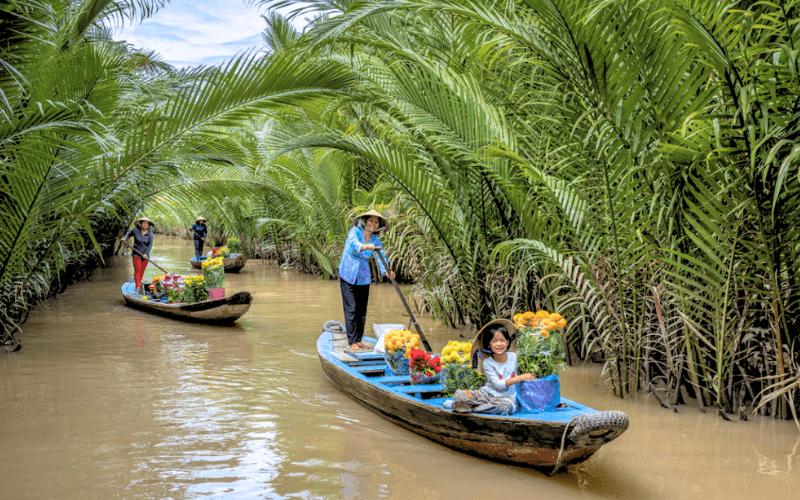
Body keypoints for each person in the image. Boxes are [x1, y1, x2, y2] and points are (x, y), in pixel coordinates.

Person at [447, 319, 536, 415]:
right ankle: (468, 405)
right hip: (487, 395)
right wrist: (521, 378)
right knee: (460, 394)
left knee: (505, 407)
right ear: (489, 344)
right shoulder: (487, 363)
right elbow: (498, 384)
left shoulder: (514, 357)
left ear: (507, 342)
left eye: (502, 340)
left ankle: (470, 408)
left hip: (506, 399)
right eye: (494, 341)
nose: (499, 344)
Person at [338, 209, 396, 351]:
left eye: (376, 222)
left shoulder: (376, 240)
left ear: (378, 226)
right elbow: (354, 244)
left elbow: (381, 257)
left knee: (361, 310)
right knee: (351, 308)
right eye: (371, 221)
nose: (373, 224)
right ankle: (352, 341)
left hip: (363, 275)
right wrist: (364, 246)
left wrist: (387, 272)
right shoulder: (354, 232)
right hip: (348, 272)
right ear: (364, 221)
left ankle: (358, 340)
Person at [121, 216, 155, 294]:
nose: (145, 224)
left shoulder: (150, 234)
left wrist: (146, 254)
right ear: (141, 224)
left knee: (142, 271)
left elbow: (150, 245)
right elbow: (128, 234)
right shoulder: (135, 231)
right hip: (136, 253)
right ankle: (137, 286)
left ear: (148, 225)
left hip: (145, 255)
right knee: (137, 270)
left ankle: (138, 283)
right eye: (144, 223)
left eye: (146, 223)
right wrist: (124, 238)